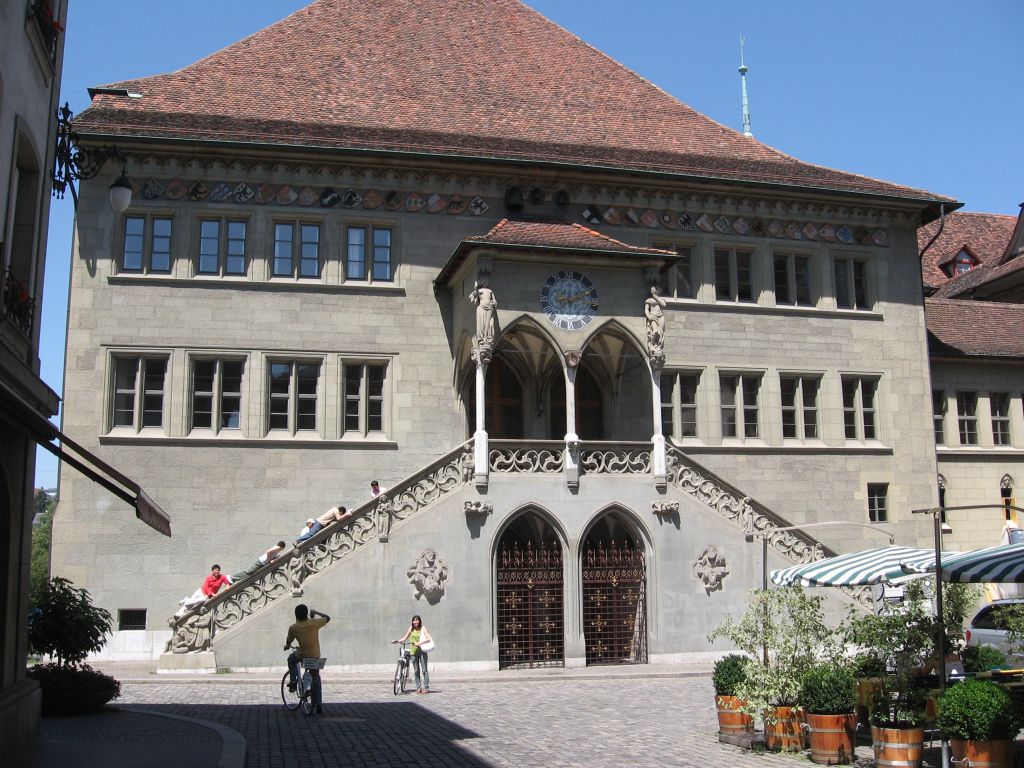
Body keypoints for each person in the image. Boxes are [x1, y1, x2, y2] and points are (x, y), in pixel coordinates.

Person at [284, 604, 330, 714]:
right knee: (316, 678)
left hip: (302, 655)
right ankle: (319, 704)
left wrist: (287, 645)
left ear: (296, 615)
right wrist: (315, 612)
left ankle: (293, 682)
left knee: (291, 659)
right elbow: (327, 618)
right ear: (306, 614)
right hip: (315, 655)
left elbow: (289, 641)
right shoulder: (314, 623)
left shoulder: (294, 627)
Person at [393, 614, 432, 694]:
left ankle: (426, 688)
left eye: (417, 620)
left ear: (419, 621)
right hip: (413, 652)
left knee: (424, 670)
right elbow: (404, 638)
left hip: (422, 651)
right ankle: (418, 687)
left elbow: (428, 639)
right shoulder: (411, 628)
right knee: (416, 670)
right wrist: (397, 641)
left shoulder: (423, 628)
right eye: (414, 620)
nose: (415, 622)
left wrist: (419, 643)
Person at [468, 279, 497, 347]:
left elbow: (494, 300)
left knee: (489, 324)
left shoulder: (490, 291)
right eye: (483, 281)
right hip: (481, 307)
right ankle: (482, 338)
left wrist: (494, 302)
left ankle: (487, 337)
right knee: (481, 323)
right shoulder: (479, 291)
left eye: (486, 281)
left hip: (489, 308)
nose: (485, 282)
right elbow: (471, 297)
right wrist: (476, 290)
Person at [644, 284, 667, 357]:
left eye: (653, 290)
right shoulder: (649, 300)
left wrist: (656, 297)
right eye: (651, 290)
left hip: (661, 316)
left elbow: (664, 305)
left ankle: (658, 346)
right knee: (655, 331)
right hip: (653, 316)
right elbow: (646, 309)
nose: (652, 291)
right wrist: (648, 317)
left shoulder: (660, 299)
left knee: (660, 333)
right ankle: (652, 345)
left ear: (657, 291)